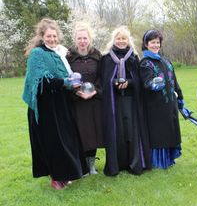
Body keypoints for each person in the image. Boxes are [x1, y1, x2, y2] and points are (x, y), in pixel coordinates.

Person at [22, 18, 88, 190]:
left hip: (61, 104)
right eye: (48, 36)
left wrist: (73, 84)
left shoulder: (59, 53)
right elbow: (41, 81)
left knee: (65, 140)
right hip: (45, 108)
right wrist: (65, 82)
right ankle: (56, 178)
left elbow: (66, 75)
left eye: (54, 36)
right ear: (42, 36)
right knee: (53, 143)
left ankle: (65, 175)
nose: (52, 39)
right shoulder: (37, 54)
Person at [101, 26, 152, 176]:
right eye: (118, 38)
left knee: (131, 131)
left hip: (130, 101)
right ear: (113, 40)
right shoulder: (107, 58)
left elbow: (139, 79)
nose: (121, 41)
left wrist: (128, 82)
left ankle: (134, 163)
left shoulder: (133, 57)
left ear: (128, 40)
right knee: (118, 132)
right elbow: (104, 79)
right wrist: (114, 82)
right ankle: (117, 164)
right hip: (114, 102)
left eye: (124, 38)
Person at [139, 29, 185, 169]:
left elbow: (174, 81)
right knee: (160, 134)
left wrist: (180, 96)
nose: (155, 45)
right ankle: (158, 162)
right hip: (155, 106)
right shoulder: (145, 63)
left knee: (171, 130)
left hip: (170, 104)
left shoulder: (165, 61)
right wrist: (154, 84)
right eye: (152, 42)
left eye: (157, 42)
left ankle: (169, 159)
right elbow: (146, 83)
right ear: (146, 44)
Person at [66, 22, 104, 175]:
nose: (82, 41)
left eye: (85, 38)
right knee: (80, 133)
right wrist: (76, 93)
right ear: (75, 39)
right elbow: (66, 78)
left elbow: (102, 77)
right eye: (79, 38)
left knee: (93, 134)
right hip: (78, 102)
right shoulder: (69, 57)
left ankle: (92, 166)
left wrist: (95, 91)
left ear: (90, 39)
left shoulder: (97, 56)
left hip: (94, 102)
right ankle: (82, 167)